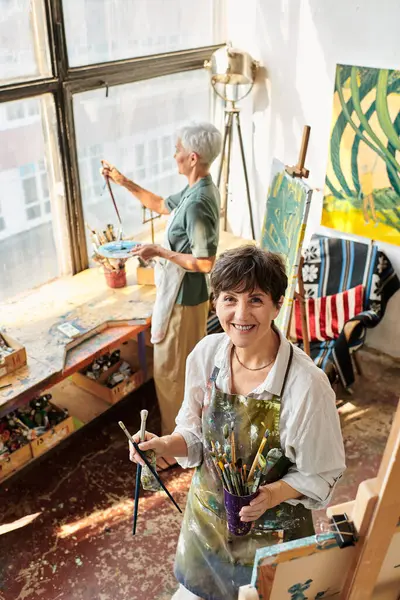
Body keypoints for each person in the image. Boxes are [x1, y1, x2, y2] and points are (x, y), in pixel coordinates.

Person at [129, 245, 346, 600]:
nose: (241, 313)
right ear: (215, 303)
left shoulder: (306, 386)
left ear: (278, 304)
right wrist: (166, 445)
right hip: (206, 527)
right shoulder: (206, 354)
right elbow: (195, 432)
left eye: (256, 300)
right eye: (229, 298)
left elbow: (321, 472)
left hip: (272, 537)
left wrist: (271, 493)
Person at [102, 122, 222, 467]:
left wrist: (161, 252)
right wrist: (123, 181)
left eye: (177, 149)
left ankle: (175, 448)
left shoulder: (199, 203)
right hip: (179, 297)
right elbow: (157, 203)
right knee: (174, 371)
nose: (174, 155)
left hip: (185, 300)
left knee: (172, 373)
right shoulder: (193, 190)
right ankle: (181, 439)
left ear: (193, 157)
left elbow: (205, 262)